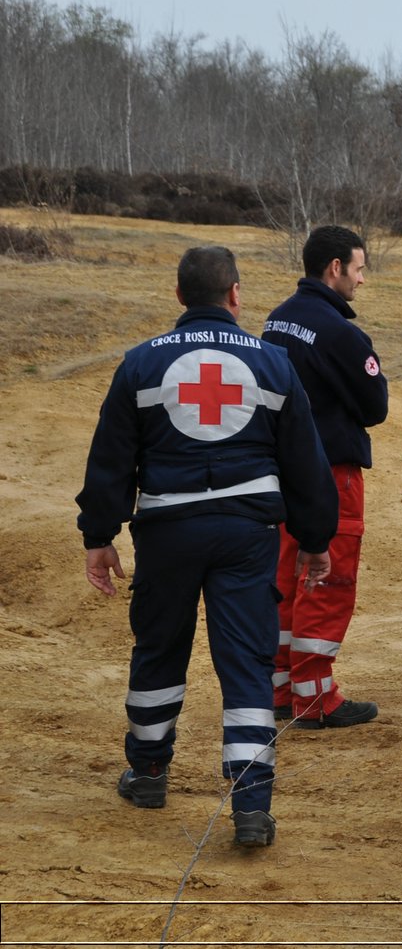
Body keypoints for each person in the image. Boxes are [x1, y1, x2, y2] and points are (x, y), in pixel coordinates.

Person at [77, 245, 337, 849]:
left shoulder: (139, 364)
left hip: (167, 532)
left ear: (179, 297)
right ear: (236, 295)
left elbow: (111, 458)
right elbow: (306, 462)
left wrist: (99, 535)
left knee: (159, 652)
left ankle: (146, 773)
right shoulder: (274, 364)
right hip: (248, 537)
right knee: (247, 663)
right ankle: (250, 805)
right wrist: (316, 539)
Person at [262, 225, 387, 729]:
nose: (360, 280)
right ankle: (316, 699)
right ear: (334, 268)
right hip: (332, 474)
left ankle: (281, 689)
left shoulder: (278, 320)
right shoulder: (342, 333)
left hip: (281, 471)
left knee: (285, 578)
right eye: (358, 269)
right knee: (326, 579)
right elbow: (375, 407)